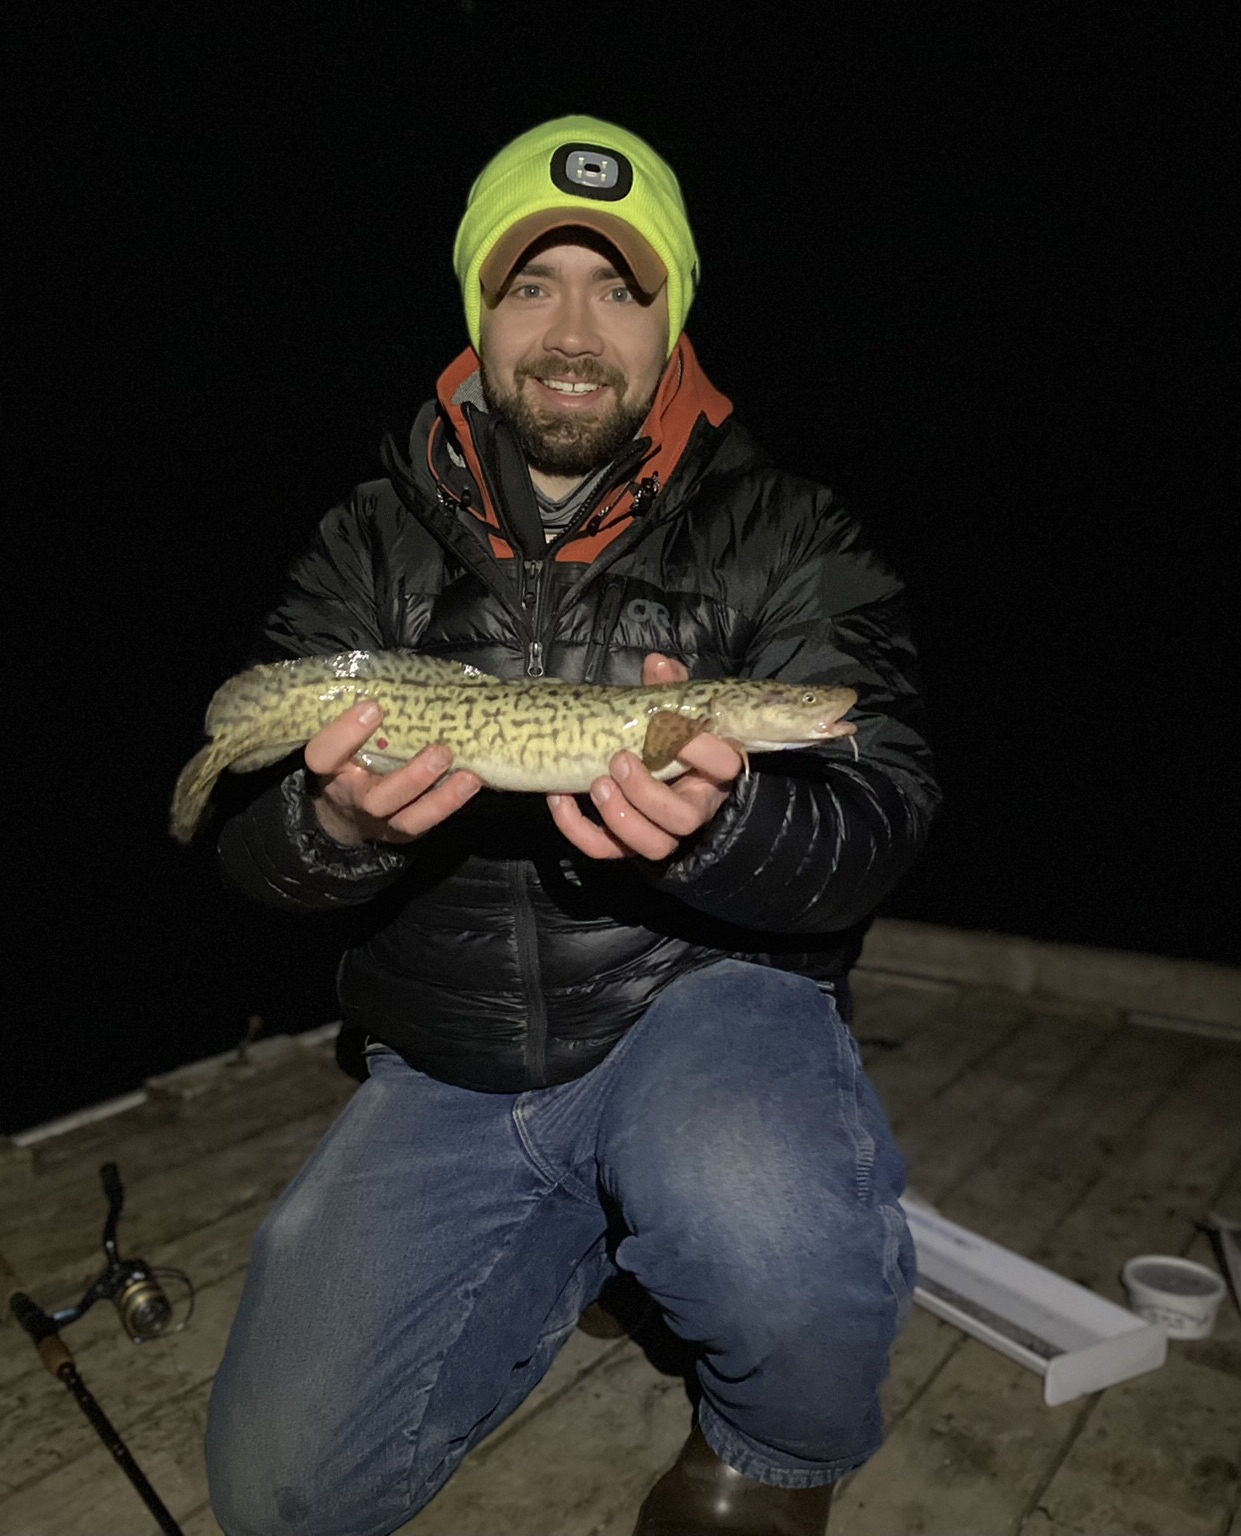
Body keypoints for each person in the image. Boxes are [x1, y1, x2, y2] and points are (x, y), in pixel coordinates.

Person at [197, 115, 938, 1536]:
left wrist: (721, 831)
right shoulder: (367, 540)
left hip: (702, 1003)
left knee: (768, 1226)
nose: (574, 330)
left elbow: (886, 795)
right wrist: (333, 824)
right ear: (478, 314)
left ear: (674, 320)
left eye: (620, 286)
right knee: (281, 1493)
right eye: (533, 284)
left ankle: (771, 1456)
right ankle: (591, 1241)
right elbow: (247, 842)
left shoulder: (788, 529)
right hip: (458, 1047)